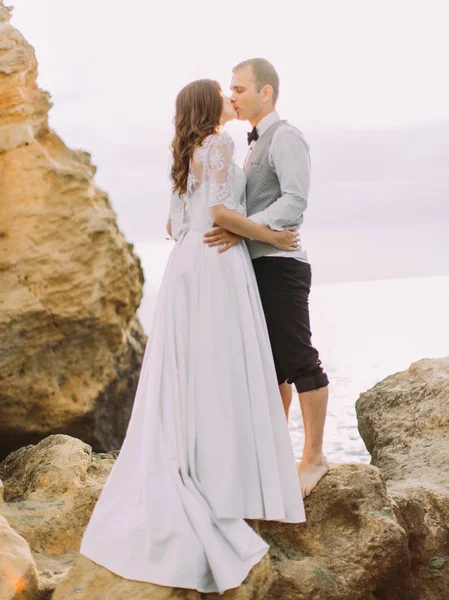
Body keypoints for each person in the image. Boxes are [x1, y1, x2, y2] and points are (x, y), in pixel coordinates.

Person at [79, 78, 305, 596]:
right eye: (223, 92)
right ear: (209, 106)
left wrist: (219, 219)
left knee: (191, 371)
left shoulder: (186, 153)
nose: (232, 96)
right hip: (216, 265)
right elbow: (222, 214)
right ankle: (223, 479)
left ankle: (200, 470)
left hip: (185, 266)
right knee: (219, 367)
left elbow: (174, 221)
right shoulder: (220, 144)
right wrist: (271, 235)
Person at [204, 58, 330, 499]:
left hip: (283, 264)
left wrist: (245, 225)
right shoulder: (251, 143)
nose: (232, 96)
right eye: (231, 90)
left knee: (298, 360)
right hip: (256, 265)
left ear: (266, 93)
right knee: (270, 366)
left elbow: (295, 201)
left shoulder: (287, 136)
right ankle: (276, 457)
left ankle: (313, 457)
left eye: (239, 89)